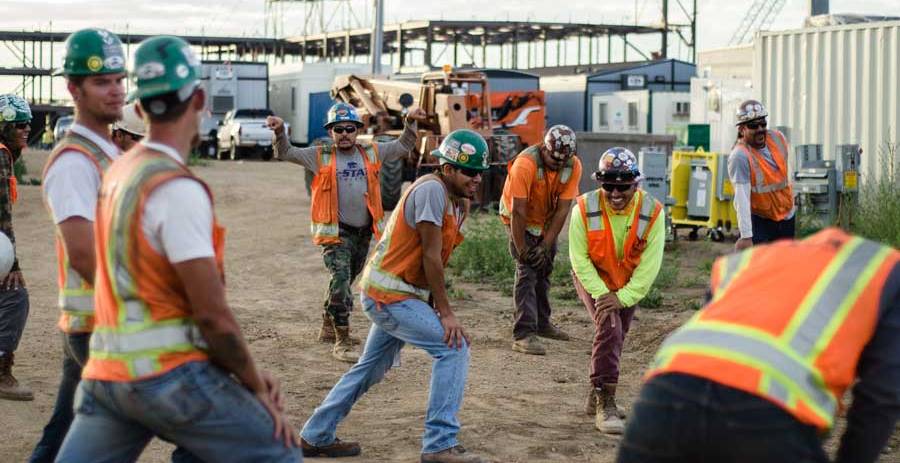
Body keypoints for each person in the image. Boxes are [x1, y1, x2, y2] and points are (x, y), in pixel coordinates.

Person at [55, 35, 300, 462]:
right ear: (200, 98)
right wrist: (254, 384)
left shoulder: (120, 170)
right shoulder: (175, 187)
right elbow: (212, 316)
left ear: (140, 105)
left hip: (108, 373)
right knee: (279, 450)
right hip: (165, 377)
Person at [619, 228, 900, 463]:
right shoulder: (887, 272)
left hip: (661, 401)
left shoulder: (755, 260)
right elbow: (882, 396)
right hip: (767, 419)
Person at [299, 129, 489, 463]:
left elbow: (435, 258)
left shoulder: (459, 203)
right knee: (454, 348)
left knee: (370, 367)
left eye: (480, 172)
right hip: (390, 294)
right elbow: (431, 257)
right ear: (447, 169)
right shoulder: (432, 190)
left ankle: (315, 435)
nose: (476, 179)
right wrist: (445, 313)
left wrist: (433, 303)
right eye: (469, 171)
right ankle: (440, 444)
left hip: (400, 294)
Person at [31, 27, 127, 463]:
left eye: (118, 79)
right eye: (101, 82)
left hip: (94, 320)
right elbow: (84, 254)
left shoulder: (105, 151)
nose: (115, 91)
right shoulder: (74, 161)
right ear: (73, 89)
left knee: (63, 434)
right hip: (99, 324)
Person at [267, 102, 425, 363]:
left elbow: (403, 146)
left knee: (345, 280)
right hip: (336, 235)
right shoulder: (320, 156)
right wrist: (280, 132)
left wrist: (409, 121)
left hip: (363, 233)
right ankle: (342, 339)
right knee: (341, 280)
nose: (344, 134)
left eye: (349, 128)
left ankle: (328, 324)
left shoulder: (372, 153)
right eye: (338, 129)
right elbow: (285, 152)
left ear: (357, 130)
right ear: (331, 132)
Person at [568, 147, 664, 434]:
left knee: (617, 334)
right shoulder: (583, 209)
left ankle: (595, 394)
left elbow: (649, 268)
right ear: (601, 183)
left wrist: (621, 297)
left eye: (623, 187)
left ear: (636, 184)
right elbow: (579, 259)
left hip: (627, 284)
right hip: (594, 280)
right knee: (610, 327)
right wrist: (603, 296)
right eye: (609, 186)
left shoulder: (653, 213)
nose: (615, 193)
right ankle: (605, 402)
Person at [499, 124, 582, 355]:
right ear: (544, 149)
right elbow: (518, 211)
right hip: (519, 220)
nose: (558, 165)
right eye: (553, 160)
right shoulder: (525, 164)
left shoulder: (573, 166)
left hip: (544, 221)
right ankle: (523, 334)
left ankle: (542, 324)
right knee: (526, 272)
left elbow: (563, 209)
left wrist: (546, 245)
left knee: (544, 268)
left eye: (562, 161)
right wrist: (522, 247)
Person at [728, 99, 795, 251]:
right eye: (753, 125)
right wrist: (746, 236)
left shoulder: (778, 138)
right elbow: (742, 198)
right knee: (762, 269)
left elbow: (788, 175)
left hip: (786, 215)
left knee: (784, 267)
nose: (760, 129)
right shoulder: (740, 156)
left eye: (763, 124)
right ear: (742, 129)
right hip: (761, 220)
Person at [0, 94, 33, 401]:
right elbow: (1, 214)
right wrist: (13, 263)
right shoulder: (0, 155)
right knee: (15, 296)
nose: (25, 129)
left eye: (27, 124)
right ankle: (1, 373)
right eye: (17, 125)